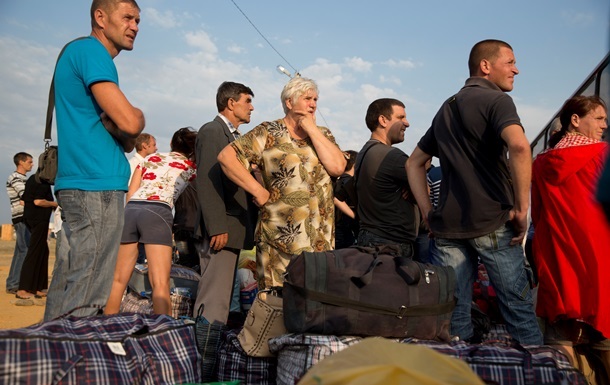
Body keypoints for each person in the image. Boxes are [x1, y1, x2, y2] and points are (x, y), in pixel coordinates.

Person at [406, 39, 542, 345]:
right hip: (492, 220)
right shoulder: (497, 102)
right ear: (486, 66)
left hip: (448, 227)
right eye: (509, 62)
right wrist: (522, 209)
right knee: (518, 310)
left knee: (455, 317)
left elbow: (414, 163)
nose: (516, 70)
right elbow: (519, 146)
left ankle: (461, 372)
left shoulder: (447, 108)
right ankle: (538, 371)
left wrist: (429, 213)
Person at [46, 0, 145, 318]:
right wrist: (138, 116)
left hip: (79, 182)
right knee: (89, 292)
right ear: (100, 17)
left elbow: (122, 134)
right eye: (127, 17)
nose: (134, 26)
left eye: (138, 20)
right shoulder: (92, 54)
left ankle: (51, 357)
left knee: (70, 284)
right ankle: (71, 361)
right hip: (95, 185)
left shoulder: (77, 54)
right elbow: (130, 125)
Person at [218, 76, 346, 289]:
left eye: (315, 99)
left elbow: (338, 167)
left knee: (315, 306)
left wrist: (312, 129)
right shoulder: (268, 132)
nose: (313, 104)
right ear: (289, 103)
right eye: (307, 98)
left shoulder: (323, 134)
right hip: (279, 239)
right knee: (277, 303)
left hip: (320, 241)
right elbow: (227, 157)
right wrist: (257, 190)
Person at [532, 96, 609, 371]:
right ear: (575, 120)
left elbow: (537, 217)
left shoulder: (540, 163)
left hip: (558, 271)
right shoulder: (603, 154)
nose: (604, 124)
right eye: (599, 118)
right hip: (600, 270)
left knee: (560, 351)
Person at [105, 127, 197, 315]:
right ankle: (162, 335)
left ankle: (107, 326)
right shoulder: (190, 167)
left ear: (171, 144)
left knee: (119, 280)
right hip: (158, 211)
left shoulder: (149, 159)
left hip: (131, 210)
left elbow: (131, 191)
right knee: (160, 283)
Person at [193, 81, 257, 325]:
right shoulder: (212, 131)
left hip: (231, 229)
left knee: (221, 301)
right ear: (231, 103)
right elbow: (208, 181)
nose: (251, 107)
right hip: (221, 230)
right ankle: (203, 359)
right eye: (247, 101)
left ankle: (210, 357)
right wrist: (218, 226)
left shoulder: (232, 135)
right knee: (213, 301)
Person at [356, 98, 418, 258]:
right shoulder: (391, 156)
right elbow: (425, 191)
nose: (407, 123)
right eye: (400, 117)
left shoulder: (365, 153)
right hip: (390, 245)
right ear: (383, 120)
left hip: (372, 239)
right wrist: (415, 190)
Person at [15, 173, 58, 301]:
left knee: (43, 251)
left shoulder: (32, 179)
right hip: (38, 219)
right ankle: (23, 289)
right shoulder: (42, 181)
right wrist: (55, 204)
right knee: (34, 252)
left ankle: (39, 287)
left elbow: (23, 201)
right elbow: (38, 201)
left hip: (32, 218)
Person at [5, 152, 33, 294]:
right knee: (24, 250)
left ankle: (13, 282)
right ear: (21, 162)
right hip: (20, 217)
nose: (32, 164)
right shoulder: (15, 177)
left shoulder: (23, 178)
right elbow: (25, 196)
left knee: (20, 251)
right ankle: (15, 283)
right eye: (29, 162)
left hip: (24, 216)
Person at [333, 150, 359, 249]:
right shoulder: (349, 183)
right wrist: (356, 216)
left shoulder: (336, 180)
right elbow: (337, 200)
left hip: (337, 228)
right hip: (346, 230)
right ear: (355, 165)